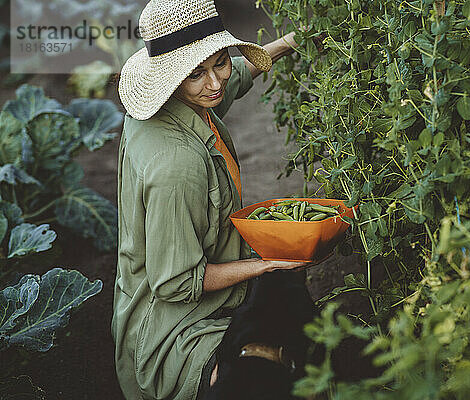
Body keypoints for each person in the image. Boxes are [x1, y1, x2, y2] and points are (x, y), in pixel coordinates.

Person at [111, 0, 321, 399]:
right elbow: (175, 284)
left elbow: (237, 75)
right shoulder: (177, 164)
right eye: (197, 74)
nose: (215, 84)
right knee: (254, 377)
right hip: (173, 330)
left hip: (157, 298)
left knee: (288, 309)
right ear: (171, 78)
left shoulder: (185, 101)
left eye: (219, 62)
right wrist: (266, 264)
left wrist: (295, 41)